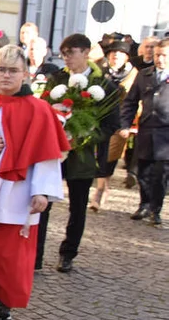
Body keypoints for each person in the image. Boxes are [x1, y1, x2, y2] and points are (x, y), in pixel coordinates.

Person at [0, 46, 67, 320]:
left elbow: (47, 155)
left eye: (12, 70)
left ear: (25, 74)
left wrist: (43, 193)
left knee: (8, 259)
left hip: (18, 194)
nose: (6, 75)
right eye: (1, 69)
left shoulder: (39, 110)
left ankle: (4, 313)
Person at [35, 34, 121, 273]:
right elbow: (42, 109)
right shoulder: (56, 80)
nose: (67, 58)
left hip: (83, 154)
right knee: (44, 199)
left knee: (78, 205)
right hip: (55, 150)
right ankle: (36, 255)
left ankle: (68, 253)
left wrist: (86, 136)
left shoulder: (103, 85)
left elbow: (111, 124)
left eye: (71, 52)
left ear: (86, 52)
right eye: (64, 54)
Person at [119, 39, 169, 227]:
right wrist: (124, 124)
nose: (160, 59)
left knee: (160, 175)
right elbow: (131, 102)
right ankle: (144, 204)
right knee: (143, 172)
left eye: (164, 55)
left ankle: (156, 209)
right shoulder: (144, 75)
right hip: (146, 130)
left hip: (166, 134)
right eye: (157, 55)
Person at [93, 41, 139, 210]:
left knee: (110, 155)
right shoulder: (101, 72)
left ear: (127, 57)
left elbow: (133, 99)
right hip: (100, 118)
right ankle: (100, 188)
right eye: (113, 53)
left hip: (120, 120)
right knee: (100, 153)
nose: (115, 56)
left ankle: (102, 188)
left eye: (119, 54)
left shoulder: (133, 75)